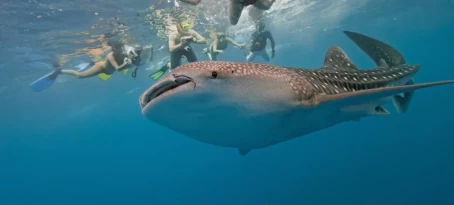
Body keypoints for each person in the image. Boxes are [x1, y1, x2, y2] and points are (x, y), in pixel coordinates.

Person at [60, 40, 132, 79]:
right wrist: (126, 63)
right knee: (79, 75)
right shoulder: (110, 56)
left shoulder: (122, 53)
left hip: (108, 71)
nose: (119, 51)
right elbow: (118, 69)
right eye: (117, 49)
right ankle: (60, 71)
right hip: (100, 68)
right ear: (113, 49)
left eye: (120, 49)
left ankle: (92, 63)